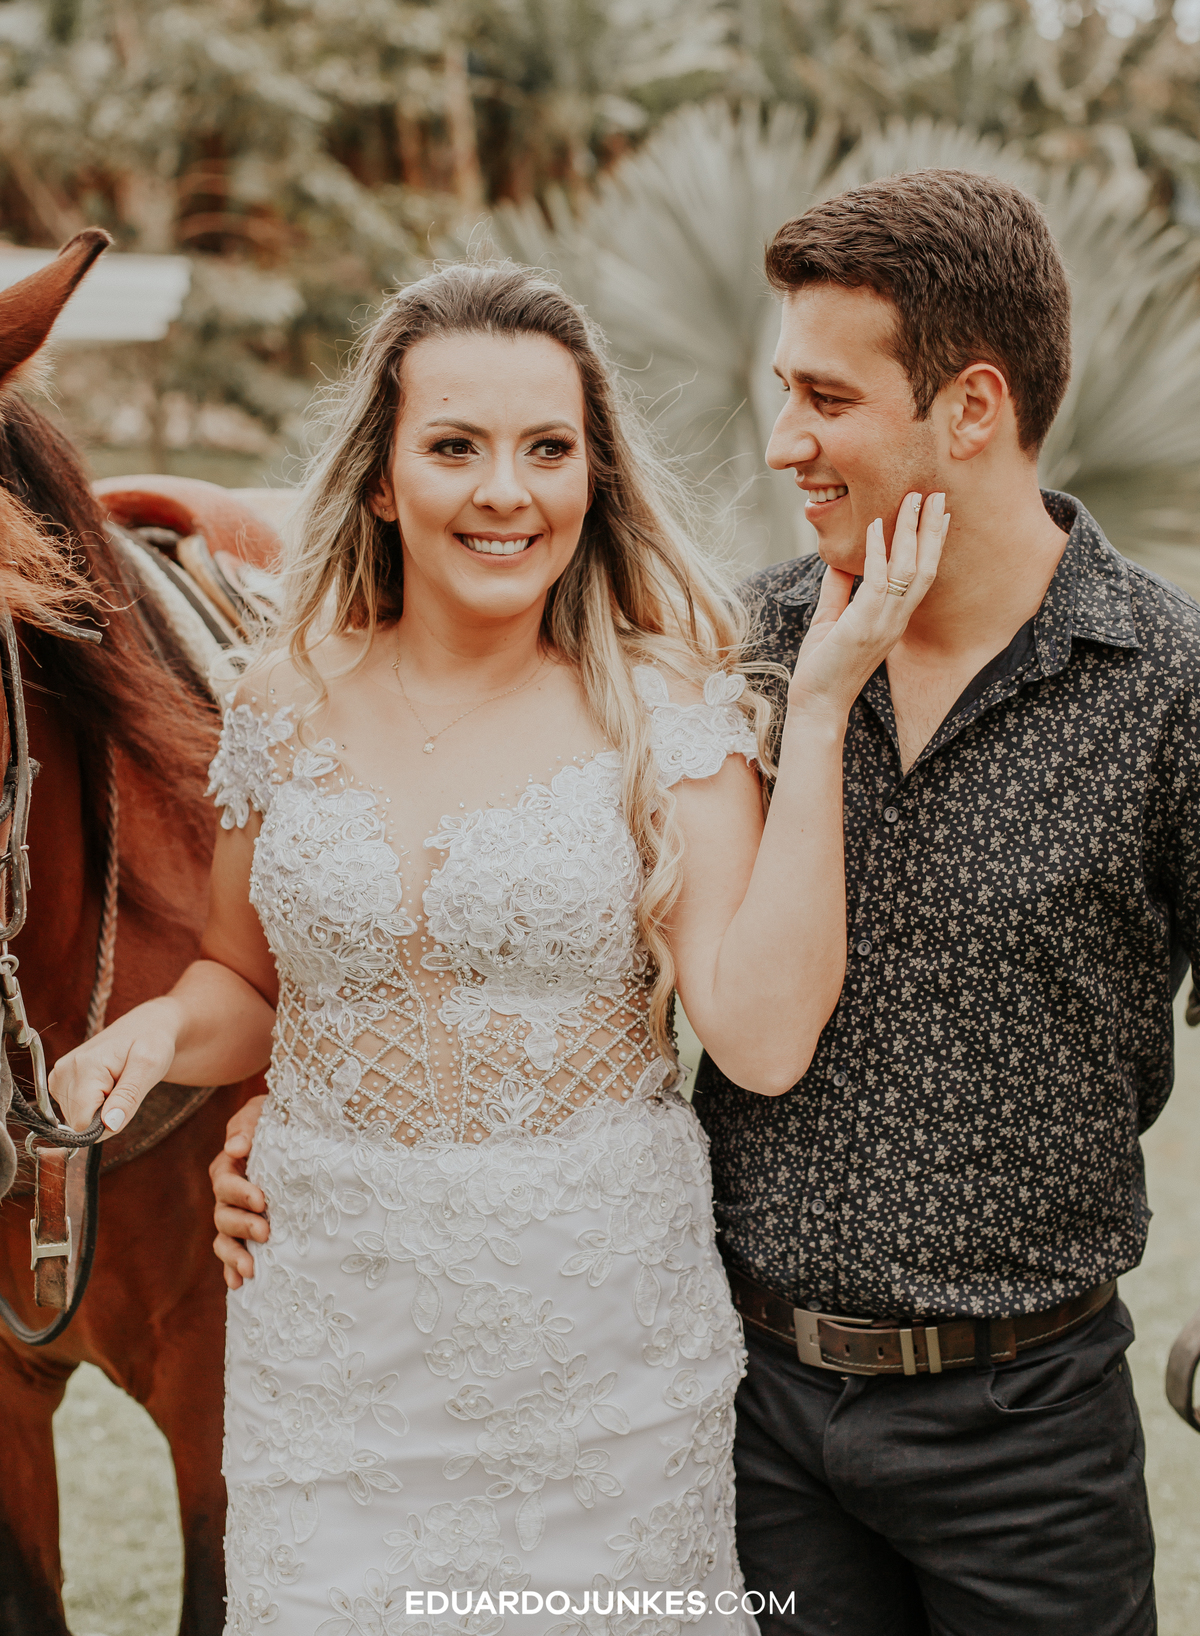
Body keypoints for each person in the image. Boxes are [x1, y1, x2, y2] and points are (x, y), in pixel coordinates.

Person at [50, 261, 944, 1633]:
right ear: (381, 479)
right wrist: (157, 1029)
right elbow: (249, 983)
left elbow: (763, 1040)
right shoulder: (281, 703)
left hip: (594, 1351)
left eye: (547, 450)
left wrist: (818, 713)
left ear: (594, 478)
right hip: (329, 1338)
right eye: (456, 447)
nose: (506, 493)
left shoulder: (668, 709)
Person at [690, 170, 1196, 1636]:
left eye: (827, 399)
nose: (785, 442)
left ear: (971, 408)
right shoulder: (744, 646)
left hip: (1031, 1435)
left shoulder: (1173, 685)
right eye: (784, 394)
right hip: (752, 1414)